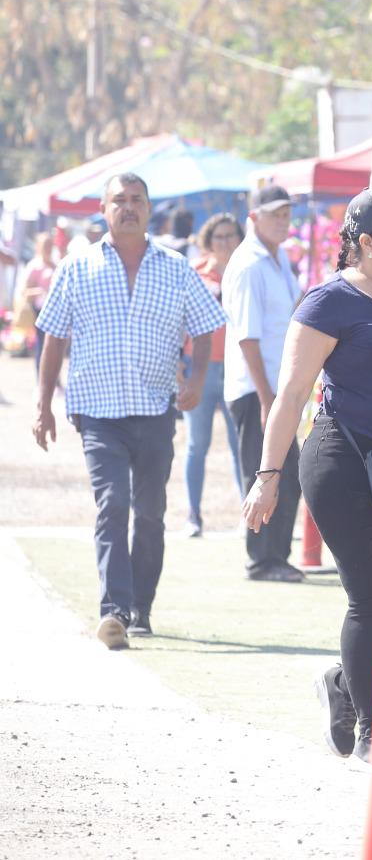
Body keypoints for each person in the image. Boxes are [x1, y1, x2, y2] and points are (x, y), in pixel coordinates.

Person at [239, 187, 372, 763]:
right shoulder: (328, 303)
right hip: (343, 465)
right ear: (364, 243)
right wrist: (268, 473)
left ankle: (342, 686)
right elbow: (292, 394)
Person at [32, 173, 224, 649]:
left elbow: (205, 326)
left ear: (149, 208)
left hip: (156, 408)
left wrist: (197, 379)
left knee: (152, 511)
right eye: (119, 200)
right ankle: (114, 610)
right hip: (96, 412)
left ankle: (142, 606)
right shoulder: (76, 268)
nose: (129, 208)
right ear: (103, 208)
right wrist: (43, 407)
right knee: (113, 502)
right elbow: (53, 337)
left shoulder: (176, 268)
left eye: (137, 200)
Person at [222, 187, 305, 581]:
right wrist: (265, 396)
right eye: (274, 214)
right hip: (257, 389)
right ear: (253, 217)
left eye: (286, 214)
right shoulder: (249, 265)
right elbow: (247, 337)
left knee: (289, 475)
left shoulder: (279, 258)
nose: (282, 221)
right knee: (265, 474)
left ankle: (276, 557)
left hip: (279, 390)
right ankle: (261, 558)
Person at [180, 213, 246, 537]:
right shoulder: (195, 272)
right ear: (208, 239)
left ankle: (249, 514)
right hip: (200, 367)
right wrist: (178, 363)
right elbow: (180, 318)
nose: (224, 241)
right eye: (218, 236)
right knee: (197, 443)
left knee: (240, 445)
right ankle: (193, 515)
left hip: (237, 366)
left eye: (230, 235)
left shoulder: (245, 271)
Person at [16, 232, 57, 373]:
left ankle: (54, 379)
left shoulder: (53, 264)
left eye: (50, 245)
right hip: (39, 309)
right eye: (45, 245)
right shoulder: (35, 266)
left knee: (54, 345)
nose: (48, 248)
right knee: (43, 344)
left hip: (54, 309)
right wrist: (40, 291)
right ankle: (41, 377)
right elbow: (25, 291)